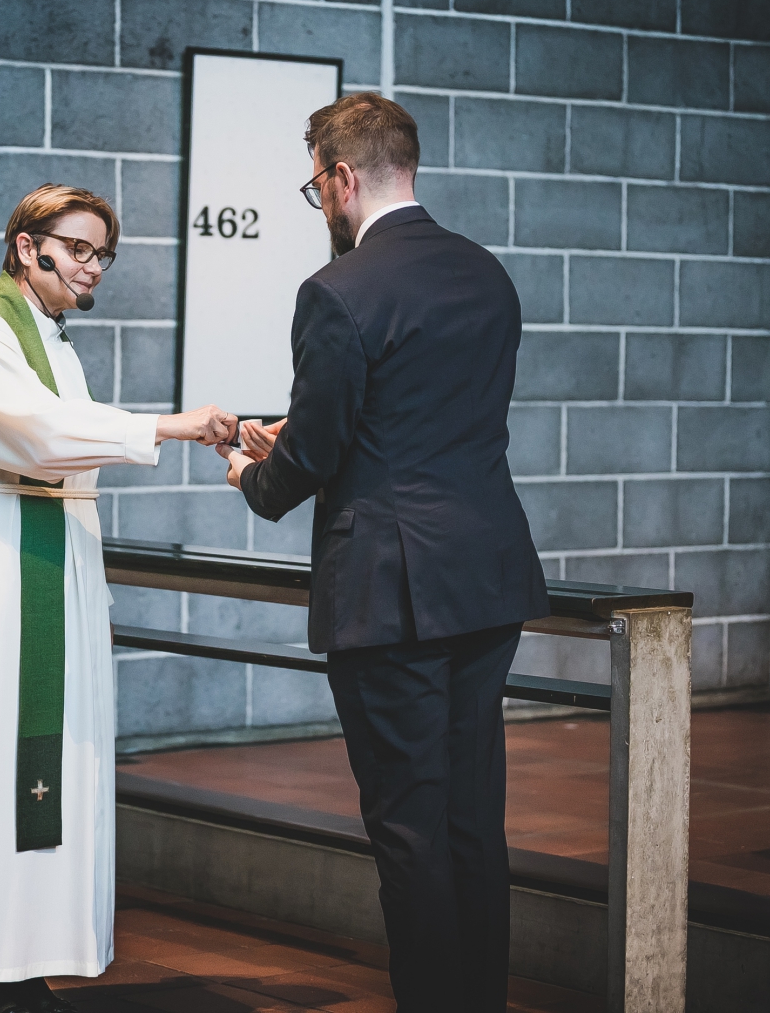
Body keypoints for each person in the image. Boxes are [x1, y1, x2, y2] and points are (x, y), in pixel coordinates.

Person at [217, 94, 549, 1012]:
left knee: (408, 828)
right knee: (472, 820)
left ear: (341, 178)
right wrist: (306, 437)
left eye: (314, 186)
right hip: (485, 579)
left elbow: (316, 456)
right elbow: (421, 420)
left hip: (392, 590)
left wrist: (252, 472)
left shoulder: (338, 290)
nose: (319, 203)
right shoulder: (486, 273)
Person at [0, 183, 236, 1013]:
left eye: (101, 254)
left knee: (47, 764)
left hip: (45, 561)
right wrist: (169, 425)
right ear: (27, 247)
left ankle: (22, 956)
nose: (92, 267)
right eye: (77, 249)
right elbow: (40, 437)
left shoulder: (53, 342)